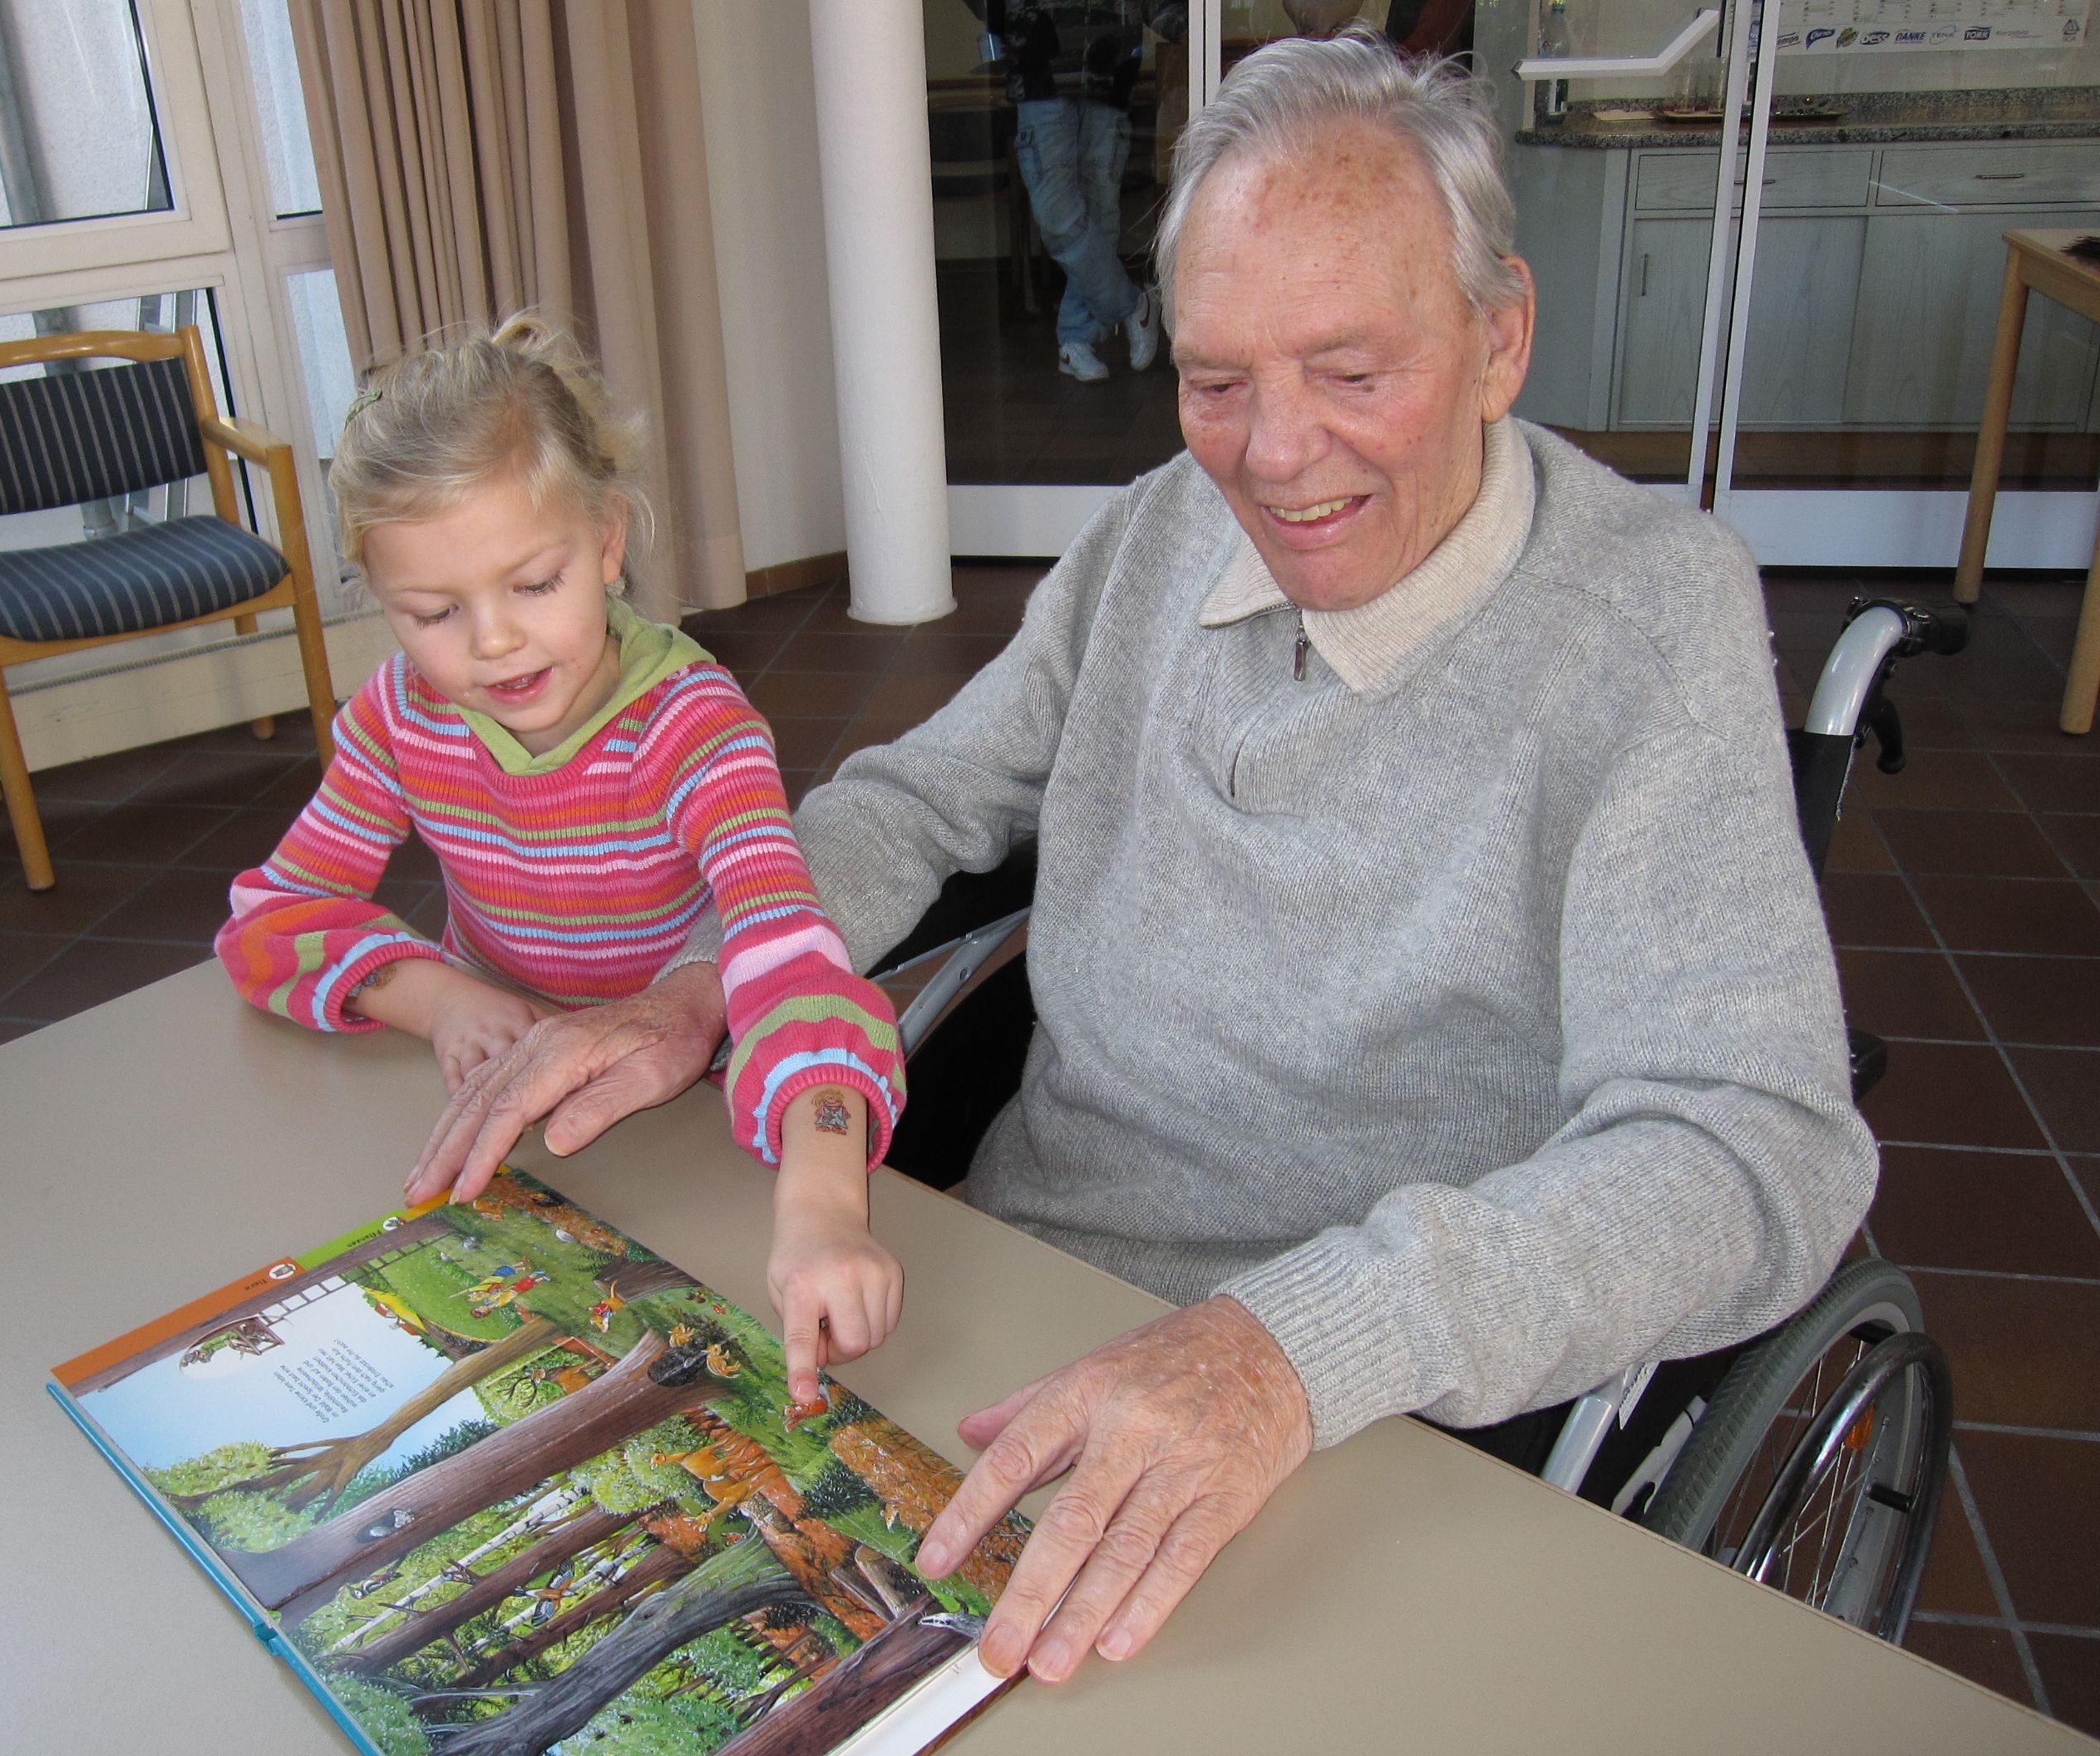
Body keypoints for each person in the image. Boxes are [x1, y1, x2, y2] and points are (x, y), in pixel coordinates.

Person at [412, 36, 1874, 1689]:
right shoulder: (1161, 529)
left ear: (1495, 340)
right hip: (1015, 1289)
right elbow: (911, 802)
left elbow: (1758, 1149)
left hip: (1376, 1403)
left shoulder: (1652, 621)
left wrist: (1289, 1349)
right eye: (1216, 375)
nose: (1268, 454)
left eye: (1349, 368)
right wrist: (703, 989)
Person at [214, 314, 905, 1406]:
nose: (492, 643)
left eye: (534, 584)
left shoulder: (695, 730)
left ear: (608, 542)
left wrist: (823, 1199)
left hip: (687, 1115)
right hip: (491, 1101)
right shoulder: (398, 717)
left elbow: (790, 962)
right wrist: (436, 1000)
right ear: (382, 600)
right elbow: (269, 921)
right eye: (436, 612)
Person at [968, 2, 1182, 382]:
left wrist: (1198, 27)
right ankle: (1133, 303)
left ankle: (1075, 340)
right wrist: (1018, 22)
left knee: (1100, 214)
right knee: (1058, 216)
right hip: (1041, 72)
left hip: (1110, 69)